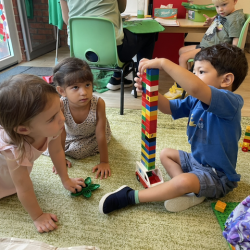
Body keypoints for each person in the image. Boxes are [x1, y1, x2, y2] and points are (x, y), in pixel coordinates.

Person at [98, 43, 248, 214]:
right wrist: (151, 92)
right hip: (196, 162)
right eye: (194, 71)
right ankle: (191, 192)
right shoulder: (196, 101)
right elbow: (169, 107)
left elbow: (195, 87)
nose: (194, 76)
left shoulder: (231, 102)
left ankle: (131, 196)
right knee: (166, 154)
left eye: (201, 72)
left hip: (217, 176)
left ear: (226, 80)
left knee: (183, 181)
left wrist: (163, 63)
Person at [0, 75, 85, 232]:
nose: (62, 118)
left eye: (59, 109)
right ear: (24, 130)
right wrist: (38, 216)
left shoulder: (51, 127)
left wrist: (65, 180)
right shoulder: (14, 151)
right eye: (51, 118)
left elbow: (57, 150)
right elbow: (23, 187)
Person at [60, 0, 157, 95]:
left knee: (119, 36)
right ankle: (140, 83)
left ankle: (116, 78)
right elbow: (122, 8)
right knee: (149, 33)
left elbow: (66, 19)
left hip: (78, 50)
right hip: (113, 51)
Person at [44, 58, 112, 179]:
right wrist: (61, 159)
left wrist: (104, 162)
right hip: (72, 135)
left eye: (87, 85)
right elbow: (61, 132)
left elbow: (100, 134)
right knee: (50, 143)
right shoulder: (61, 105)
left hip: (93, 136)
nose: (84, 92)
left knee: (77, 151)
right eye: (75, 87)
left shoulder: (98, 103)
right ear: (62, 91)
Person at [164, 0, 245, 100]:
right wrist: (212, 22)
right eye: (217, 6)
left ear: (235, 1)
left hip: (213, 50)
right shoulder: (225, 14)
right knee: (182, 50)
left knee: (183, 57)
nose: (220, 9)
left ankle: (181, 87)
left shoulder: (235, 19)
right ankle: (192, 77)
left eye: (224, 5)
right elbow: (222, 28)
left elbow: (235, 42)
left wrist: (232, 57)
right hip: (206, 46)